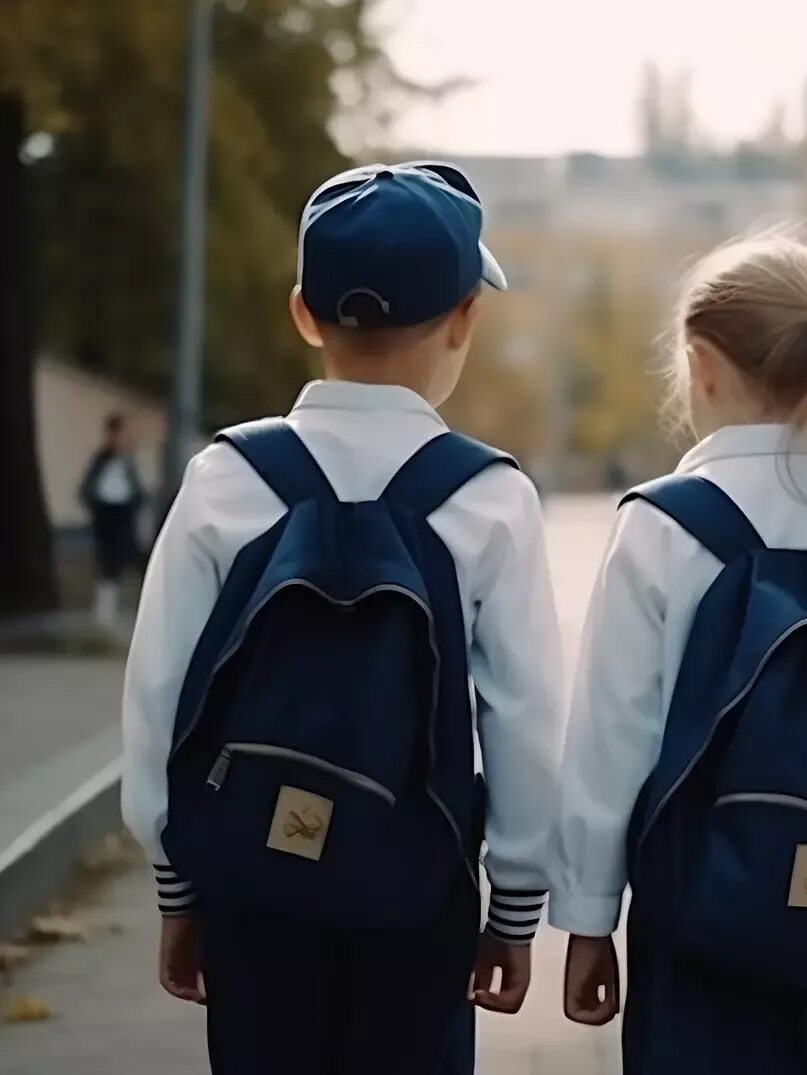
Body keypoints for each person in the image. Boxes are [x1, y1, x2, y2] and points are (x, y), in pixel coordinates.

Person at [120, 162, 564, 1075]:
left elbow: (160, 694)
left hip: (250, 884)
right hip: (416, 889)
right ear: (464, 320)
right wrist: (513, 907)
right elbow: (525, 719)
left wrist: (179, 890)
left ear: (302, 313)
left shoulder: (226, 478)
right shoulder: (487, 499)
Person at [551, 236, 807, 1075]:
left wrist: (589, 920)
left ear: (700, 366)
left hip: (696, 929)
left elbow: (611, 741)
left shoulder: (663, 527)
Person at [79, 413, 147, 626]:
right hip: (106, 512)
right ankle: (104, 610)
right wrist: (95, 505)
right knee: (107, 558)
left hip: (125, 512)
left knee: (130, 556)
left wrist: (138, 502)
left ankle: (139, 607)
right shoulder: (102, 458)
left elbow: (136, 488)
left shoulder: (128, 461)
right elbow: (88, 487)